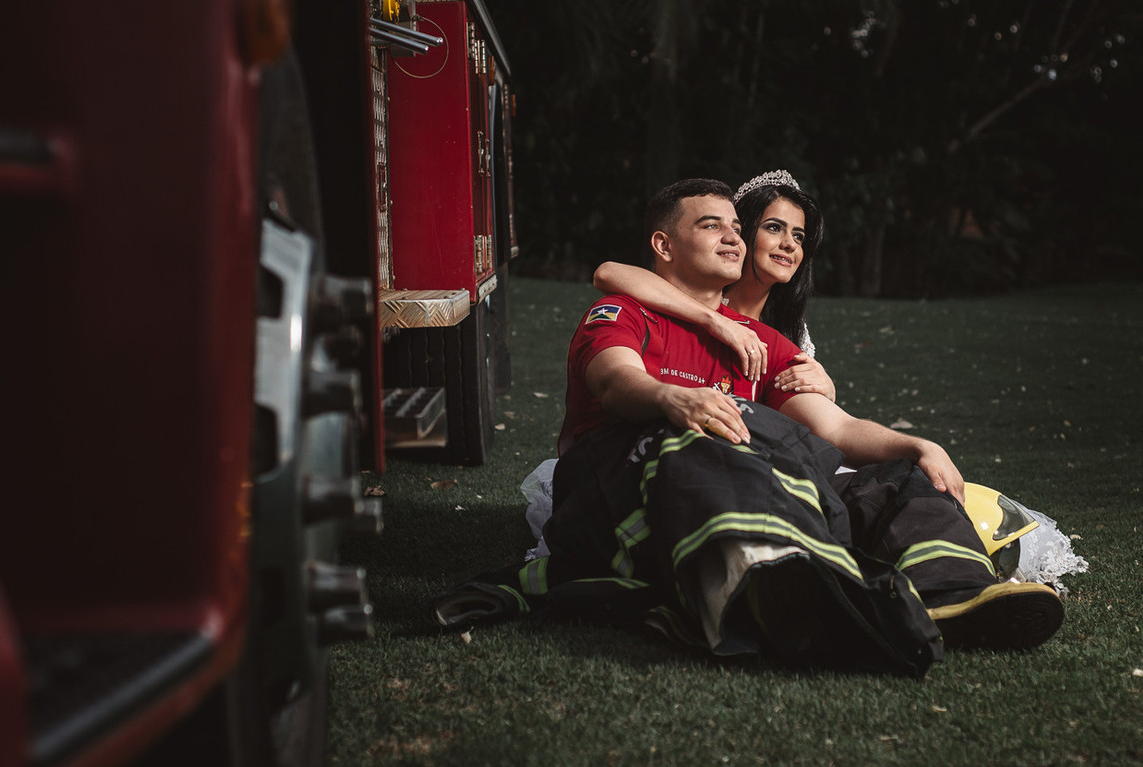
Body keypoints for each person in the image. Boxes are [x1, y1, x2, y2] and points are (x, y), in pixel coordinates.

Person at [437, 178, 1063, 674]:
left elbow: (837, 429)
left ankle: (952, 595)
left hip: (739, 476)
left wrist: (917, 445)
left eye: (737, 227)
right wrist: (670, 397)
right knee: (704, 437)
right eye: (713, 225)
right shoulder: (622, 311)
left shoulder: (763, 342)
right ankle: (790, 588)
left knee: (891, 478)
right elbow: (614, 380)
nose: (734, 237)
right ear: (664, 247)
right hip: (627, 480)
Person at [592, 170, 833, 398]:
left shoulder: (791, 329)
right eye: (774, 228)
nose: (790, 244)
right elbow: (607, 273)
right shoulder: (702, 292)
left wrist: (825, 389)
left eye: (799, 236)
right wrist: (715, 319)